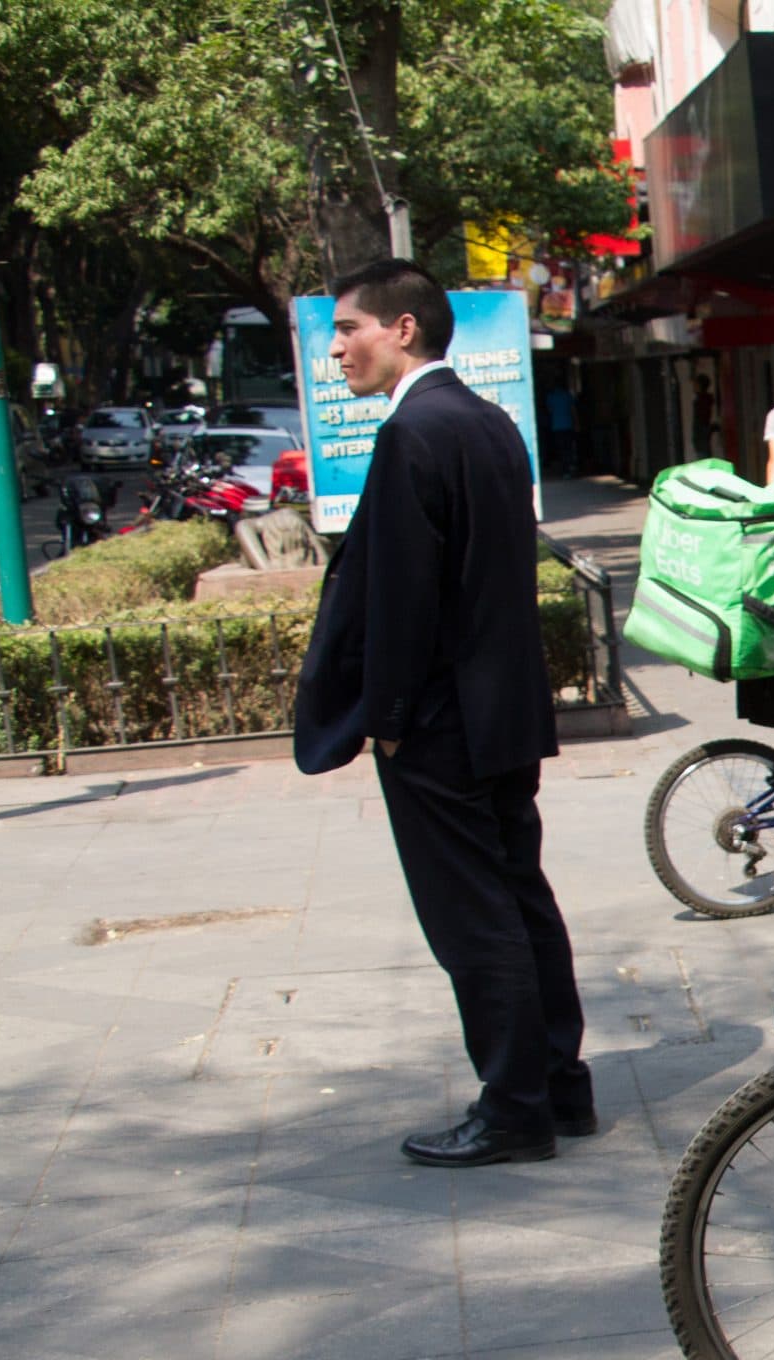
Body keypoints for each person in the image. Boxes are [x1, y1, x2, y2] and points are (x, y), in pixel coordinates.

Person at [291, 259, 592, 1168]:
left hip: (441, 722)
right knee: (519, 895)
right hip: (499, 712)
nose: (336, 346)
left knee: (475, 916)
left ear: (403, 329)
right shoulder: (489, 423)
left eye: (349, 328)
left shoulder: (416, 433)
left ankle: (513, 1107)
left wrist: (384, 716)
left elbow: (403, 598)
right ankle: (556, 1087)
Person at [543, 378, 577, 478]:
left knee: (561, 449)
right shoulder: (567, 395)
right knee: (569, 448)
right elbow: (573, 410)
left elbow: (549, 411)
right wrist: (577, 423)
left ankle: (565, 470)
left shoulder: (551, 397)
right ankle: (570, 467)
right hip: (568, 425)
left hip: (557, 427)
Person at [690, 370, 718, 458]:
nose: (694, 387)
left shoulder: (702, 401)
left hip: (701, 437)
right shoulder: (702, 400)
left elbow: (702, 419)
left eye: (696, 384)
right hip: (702, 437)